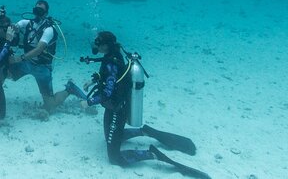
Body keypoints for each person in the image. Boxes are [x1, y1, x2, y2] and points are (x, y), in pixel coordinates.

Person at [66, 31, 210, 178]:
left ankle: (152, 154)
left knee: (114, 158)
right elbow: (111, 77)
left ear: (105, 45)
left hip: (117, 110)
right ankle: (144, 132)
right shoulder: (113, 56)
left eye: (98, 43)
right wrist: (94, 79)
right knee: (109, 138)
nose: (96, 45)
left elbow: (108, 92)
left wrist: (88, 102)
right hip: (112, 107)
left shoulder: (112, 61)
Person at [9, 0, 73, 113]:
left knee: (50, 106)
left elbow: (39, 49)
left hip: (42, 68)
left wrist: (20, 58)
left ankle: (69, 89)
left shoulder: (49, 30)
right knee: (7, 73)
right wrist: (14, 28)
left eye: (41, 10)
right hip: (27, 63)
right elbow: (17, 25)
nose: (37, 13)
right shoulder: (27, 23)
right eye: (36, 10)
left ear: (46, 13)